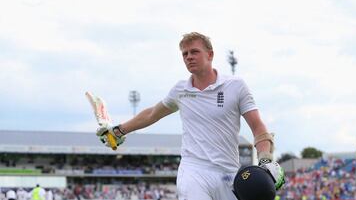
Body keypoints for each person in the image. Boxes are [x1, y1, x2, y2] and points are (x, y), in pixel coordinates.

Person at [97, 32, 285, 200]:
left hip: (228, 173)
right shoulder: (181, 90)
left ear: (210, 55)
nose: (189, 57)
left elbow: (258, 128)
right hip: (193, 171)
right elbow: (152, 114)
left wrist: (266, 159)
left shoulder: (236, 86)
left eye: (194, 52)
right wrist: (119, 131)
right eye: (185, 54)